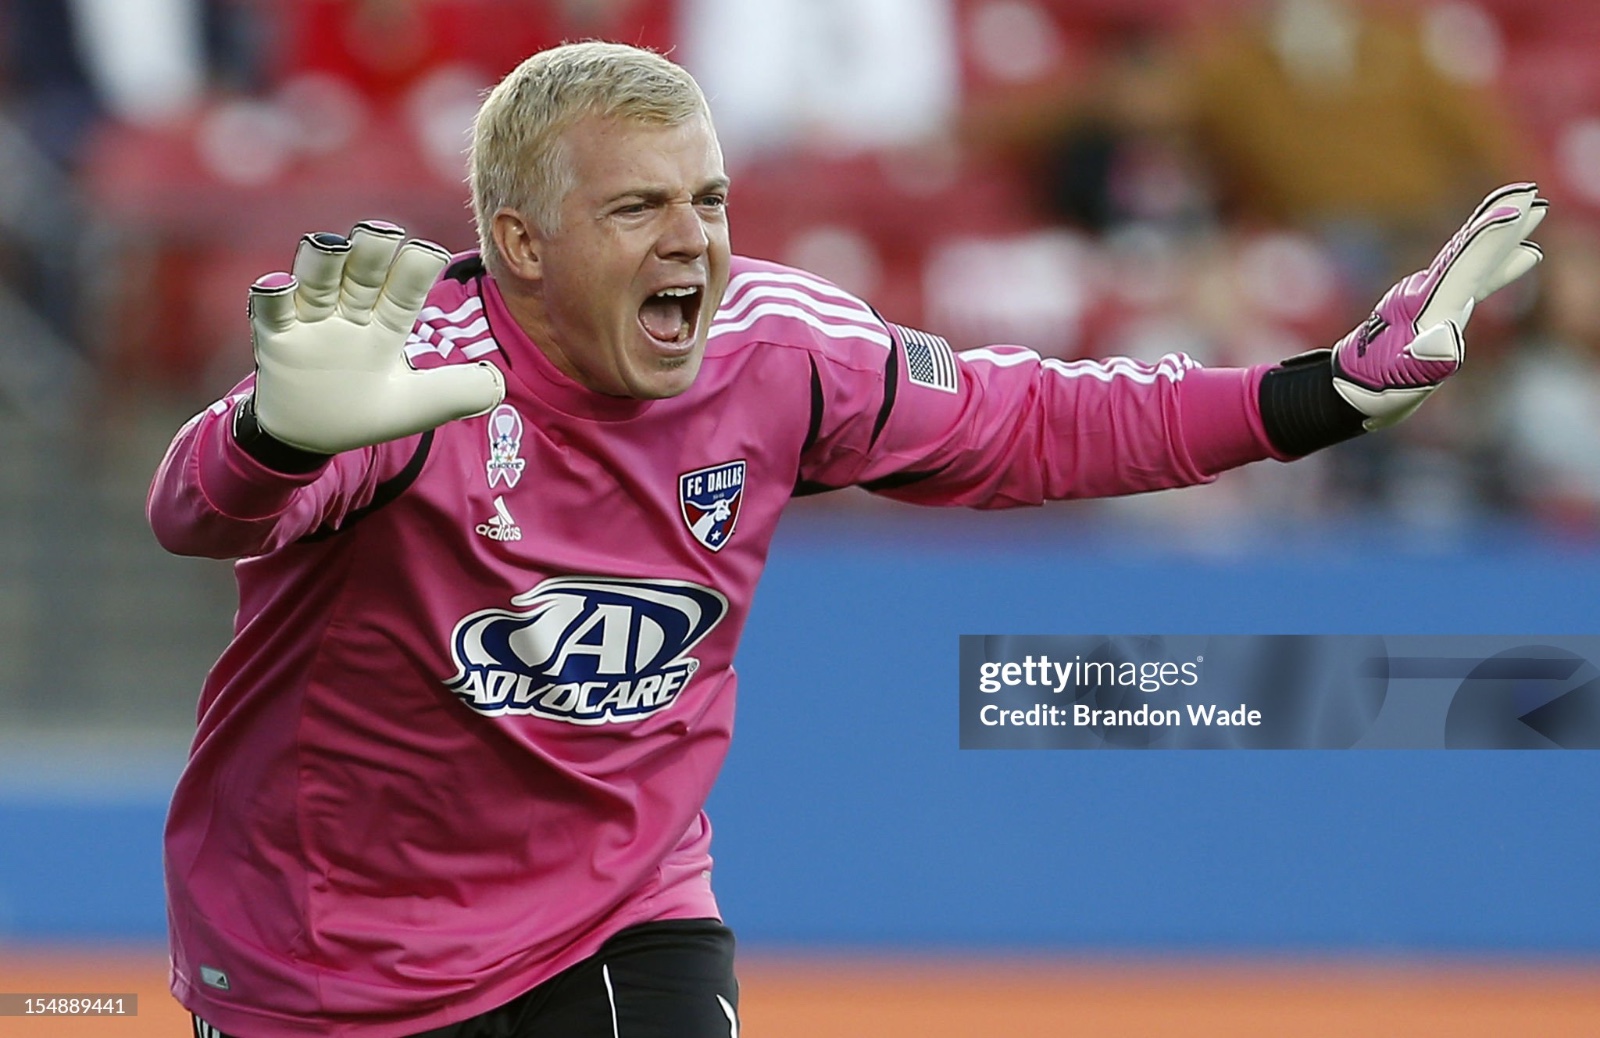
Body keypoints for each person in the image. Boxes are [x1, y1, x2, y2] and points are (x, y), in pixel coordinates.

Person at [147, 41, 1545, 1038]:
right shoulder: (405, 380)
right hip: (319, 965)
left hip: (613, 918)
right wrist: (278, 435)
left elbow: (1037, 422)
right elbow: (200, 513)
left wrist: (1323, 394)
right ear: (518, 239)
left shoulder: (781, 349)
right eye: (637, 208)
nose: (691, 242)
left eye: (708, 201)